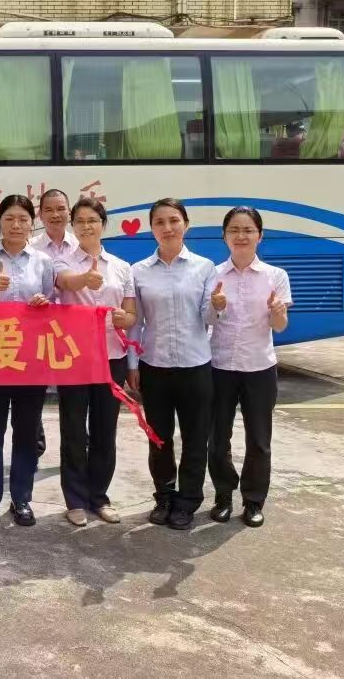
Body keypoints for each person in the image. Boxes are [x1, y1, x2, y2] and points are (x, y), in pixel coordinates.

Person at [127, 197, 217, 531]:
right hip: (155, 366)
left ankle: (188, 501)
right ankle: (164, 497)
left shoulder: (204, 267)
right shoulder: (139, 271)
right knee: (159, 438)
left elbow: (209, 317)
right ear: (152, 229)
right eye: (160, 222)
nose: (168, 228)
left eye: (174, 221)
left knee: (195, 438)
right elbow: (135, 323)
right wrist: (133, 365)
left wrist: (218, 305)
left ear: (186, 225)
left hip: (196, 365)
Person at [0, 194, 55, 527]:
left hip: (31, 359)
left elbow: (53, 305)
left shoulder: (43, 261)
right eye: (9, 219)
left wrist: (43, 302)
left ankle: (22, 498)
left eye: (23, 219)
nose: (16, 225)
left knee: (26, 432)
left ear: (32, 224)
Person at [54, 197, 136, 526]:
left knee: (105, 429)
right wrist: (84, 280)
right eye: (80, 221)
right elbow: (65, 282)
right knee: (73, 429)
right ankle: (75, 500)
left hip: (112, 357)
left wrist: (124, 318)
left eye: (92, 220)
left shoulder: (121, 267)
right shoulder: (62, 260)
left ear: (103, 224)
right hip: (74, 357)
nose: (86, 226)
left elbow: (131, 315)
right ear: (73, 226)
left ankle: (99, 496)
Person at [207, 207, 292, 528]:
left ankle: (254, 500)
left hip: (259, 367)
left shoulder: (275, 276)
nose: (241, 236)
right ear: (224, 236)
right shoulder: (213, 275)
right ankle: (223, 495)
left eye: (248, 230)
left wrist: (277, 312)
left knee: (259, 439)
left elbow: (280, 326)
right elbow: (206, 321)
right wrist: (215, 307)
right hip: (220, 366)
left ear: (260, 235)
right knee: (217, 438)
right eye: (234, 230)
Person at [30, 188, 76, 458]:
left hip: (72, 333)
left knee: (73, 393)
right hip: (37, 333)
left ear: (69, 211)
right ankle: (35, 447)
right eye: (49, 209)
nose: (55, 214)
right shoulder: (30, 246)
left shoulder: (81, 244)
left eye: (61, 209)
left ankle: (75, 448)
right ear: (40, 214)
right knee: (34, 392)